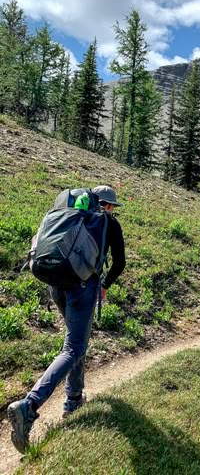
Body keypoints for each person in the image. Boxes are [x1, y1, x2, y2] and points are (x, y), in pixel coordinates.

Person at [7, 185, 126, 454]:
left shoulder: (67, 215)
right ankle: (29, 405)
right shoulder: (108, 223)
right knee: (74, 347)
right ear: (106, 205)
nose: (112, 211)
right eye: (112, 206)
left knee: (75, 342)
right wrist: (105, 284)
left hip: (55, 284)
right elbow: (119, 263)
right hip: (83, 288)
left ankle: (73, 400)